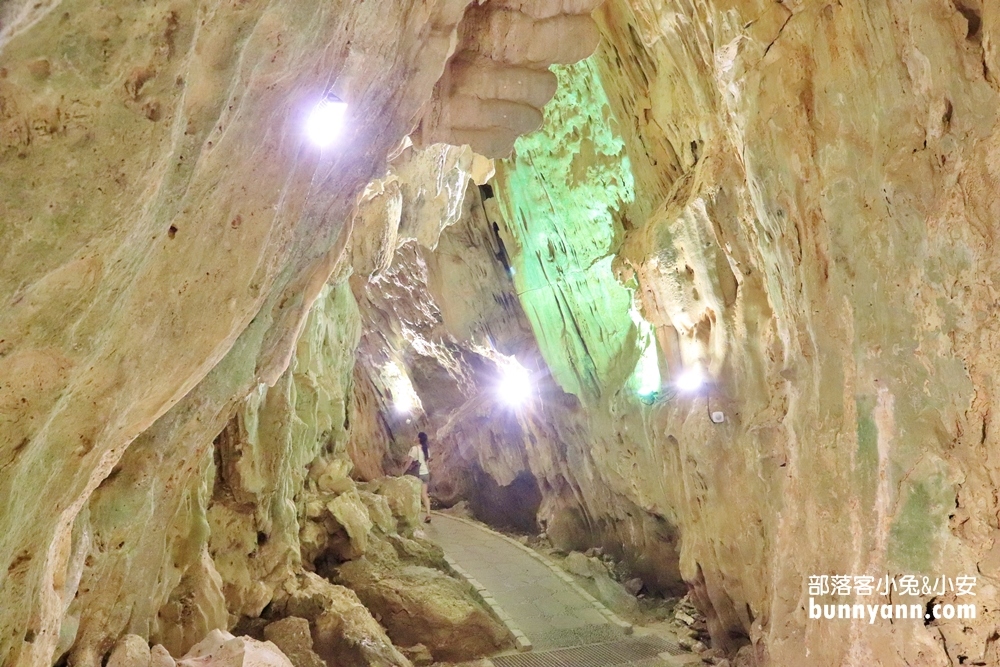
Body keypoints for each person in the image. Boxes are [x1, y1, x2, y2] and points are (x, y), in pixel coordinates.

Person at [406, 432, 432, 523]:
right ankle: (428, 514)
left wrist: (403, 471)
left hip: (417, 474)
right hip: (425, 474)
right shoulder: (426, 450)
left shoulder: (414, 449)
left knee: (415, 495)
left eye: (416, 436)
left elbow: (409, 462)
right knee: (424, 495)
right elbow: (427, 464)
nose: (415, 437)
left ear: (419, 438)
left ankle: (414, 517)